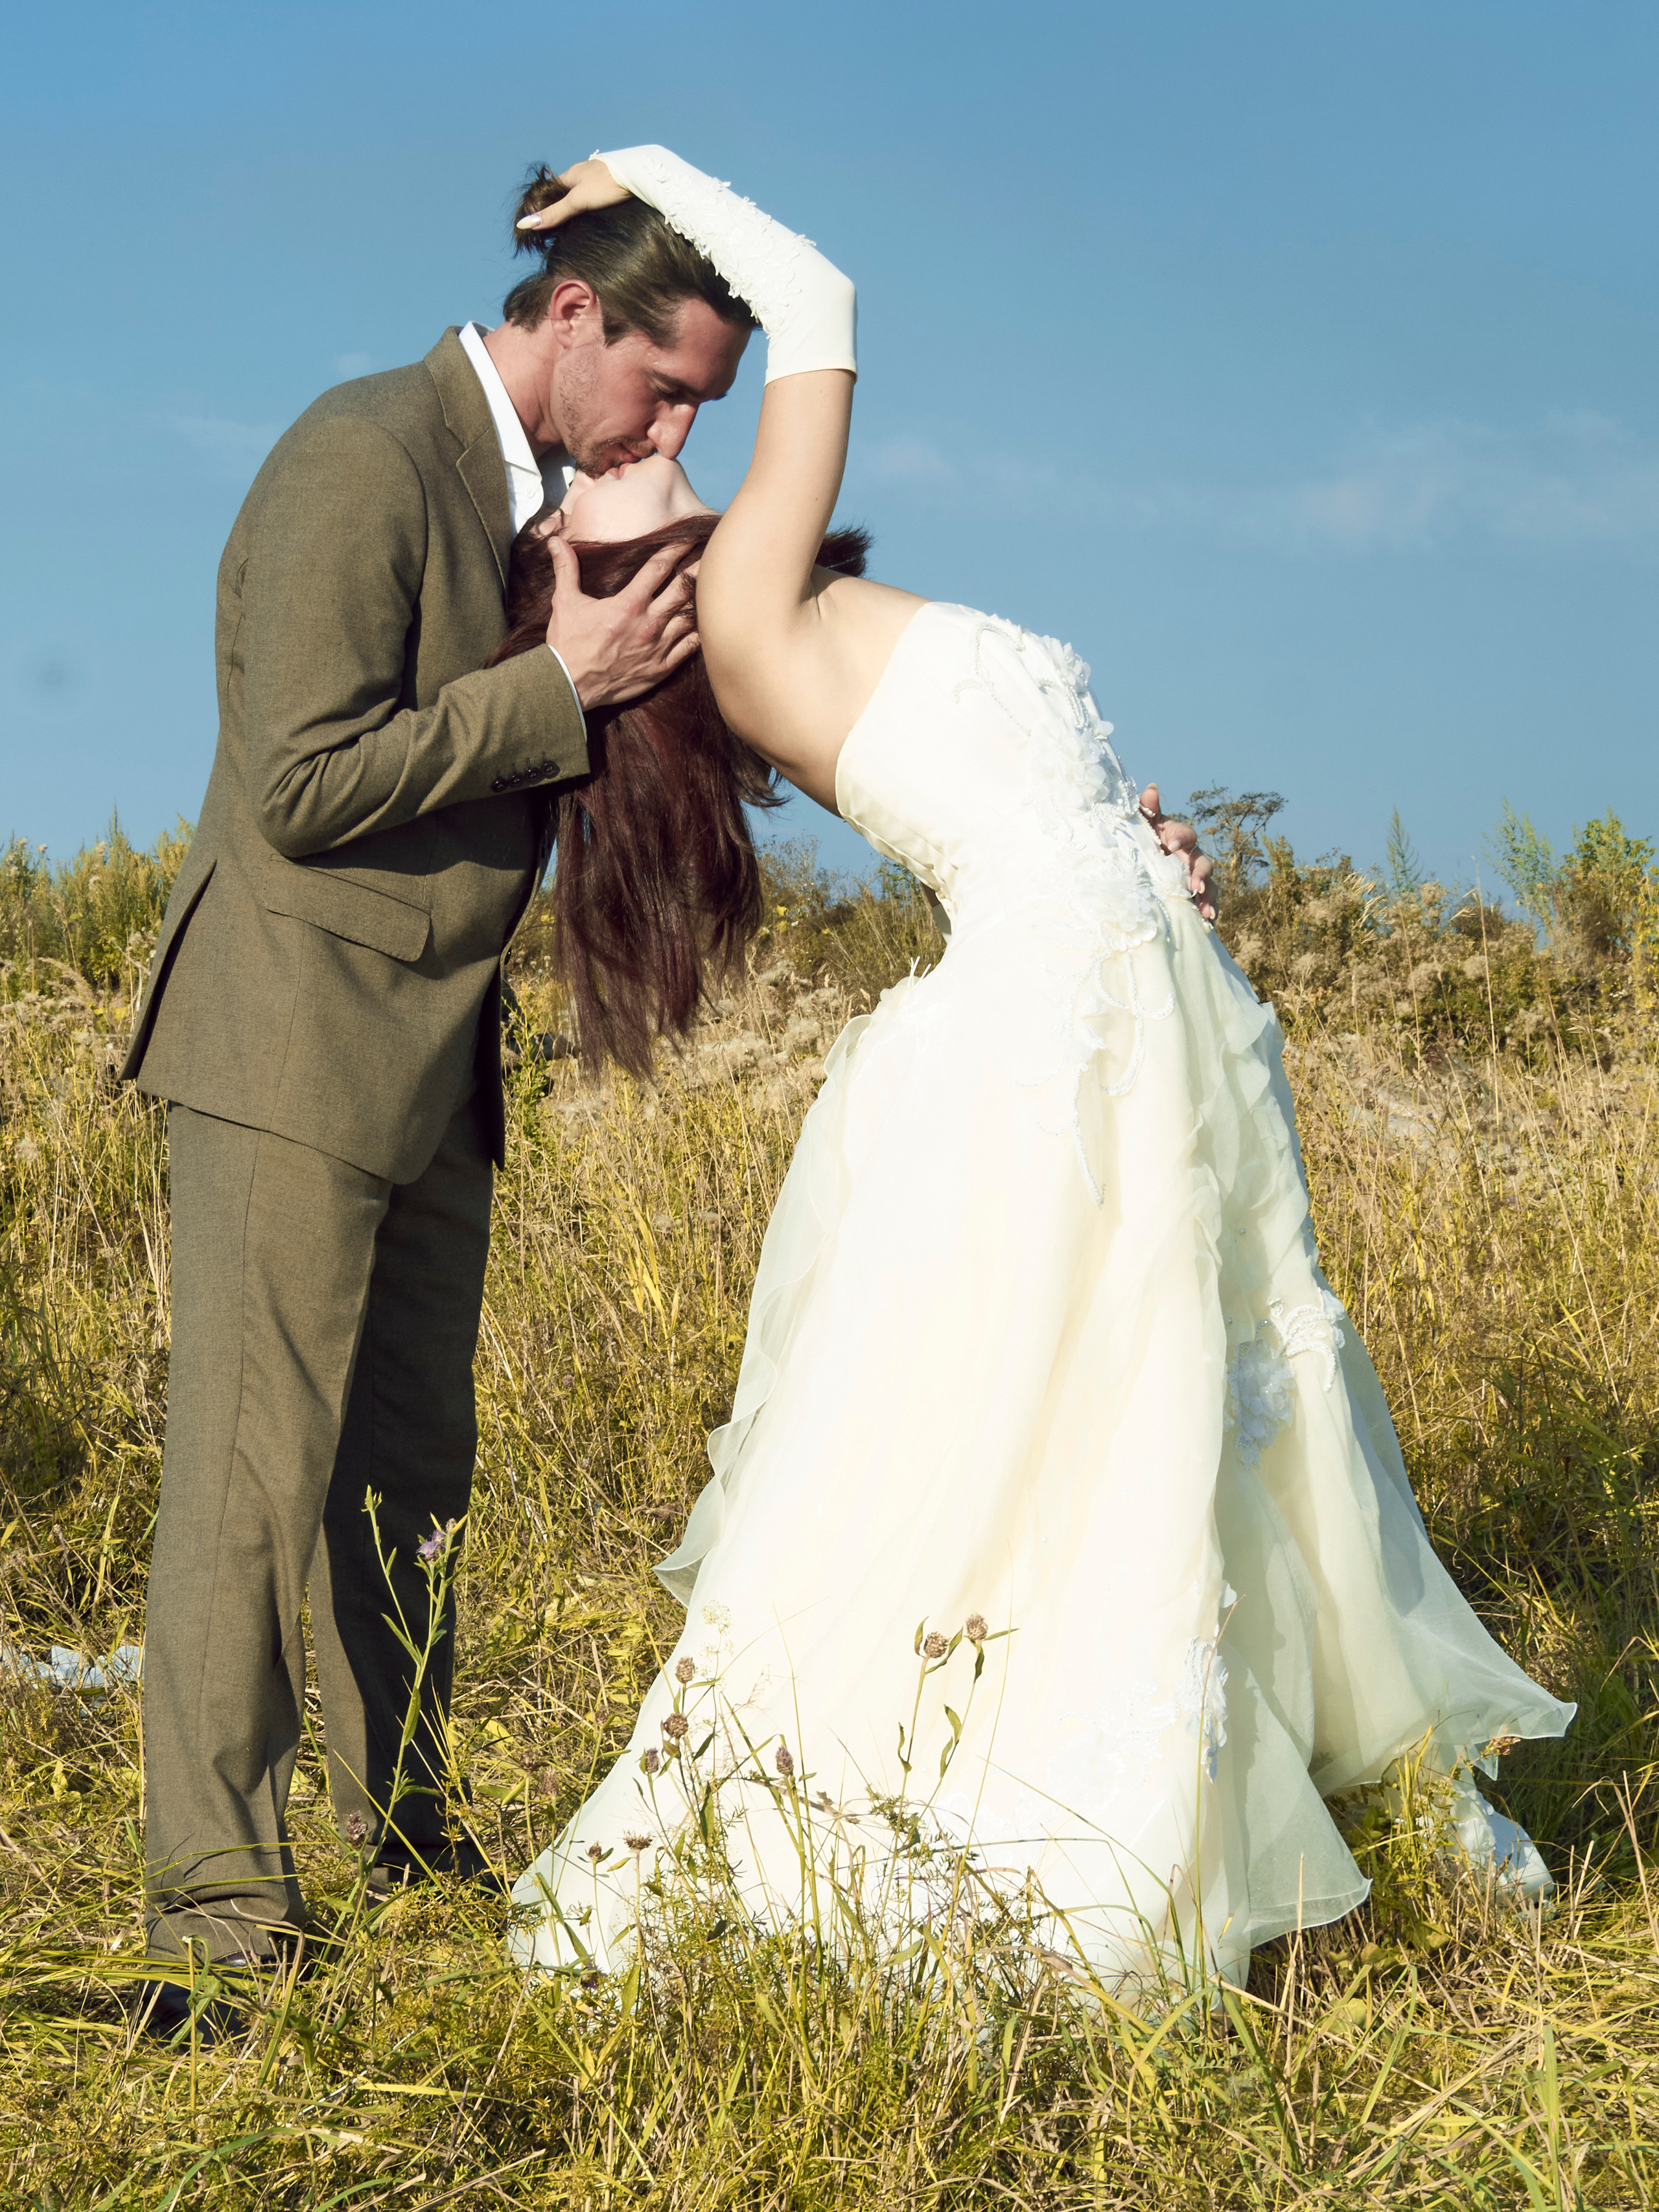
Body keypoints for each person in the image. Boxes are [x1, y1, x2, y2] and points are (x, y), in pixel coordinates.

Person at [505, 148, 1574, 1996]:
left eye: (647, 431)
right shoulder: (743, 601)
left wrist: (1130, 847)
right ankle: (1089, 1832)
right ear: (630, 608)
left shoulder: (780, 590)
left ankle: (1218, 1783)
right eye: (596, 488)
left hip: (1123, 980)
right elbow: (822, 306)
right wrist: (649, 172)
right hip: (1064, 1004)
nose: (638, 443)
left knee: (1167, 1385)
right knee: (1103, 1398)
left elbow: (1023, 796)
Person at [119, 172, 761, 2023]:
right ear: (571, 316)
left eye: (703, 399)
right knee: (250, 1492)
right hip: (287, 1049)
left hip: (431, 1071)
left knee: (410, 1485)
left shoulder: (529, 501)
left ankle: (403, 1829)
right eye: (664, 386)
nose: (675, 426)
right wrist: (560, 684)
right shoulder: (359, 453)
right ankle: (216, 1929)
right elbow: (301, 785)